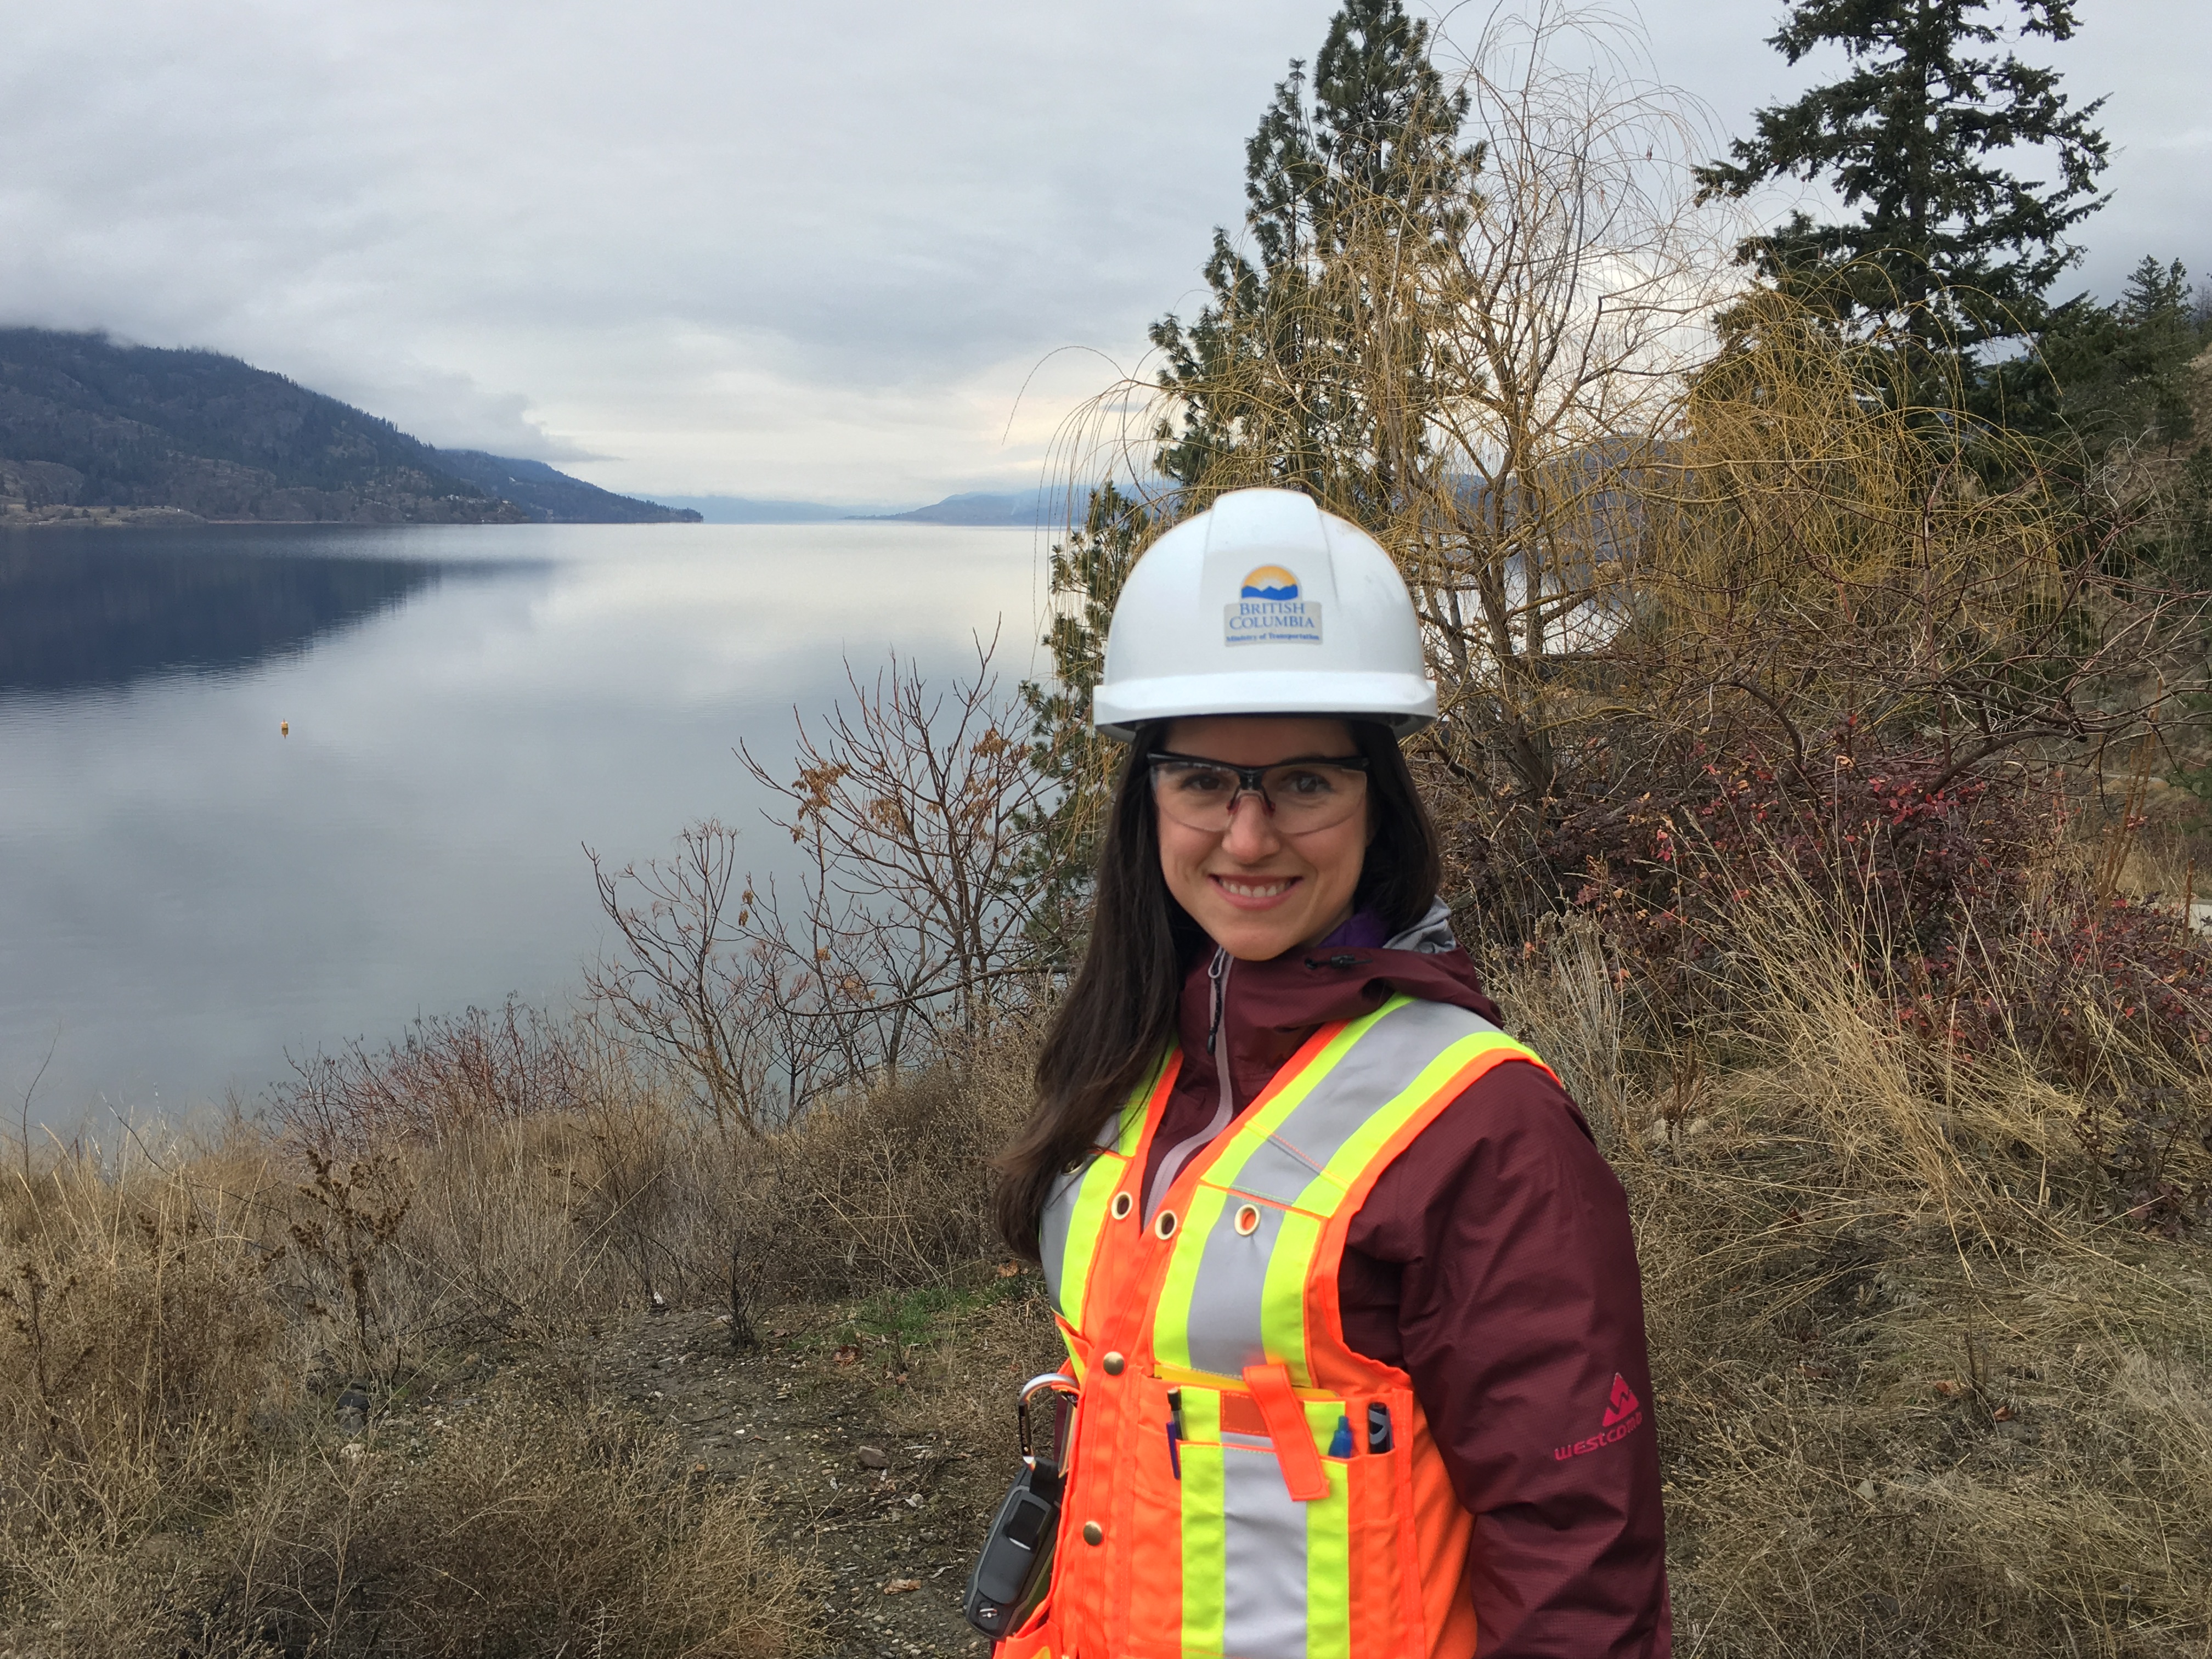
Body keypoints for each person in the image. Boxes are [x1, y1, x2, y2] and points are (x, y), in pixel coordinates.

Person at [992, 488, 1669, 1658]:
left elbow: (1577, 1556)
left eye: (1306, 782)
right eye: (1204, 780)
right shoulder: (1139, 1063)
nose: (1249, 838)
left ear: (1376, 804)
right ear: (1145, 799)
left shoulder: (1482, 1123)